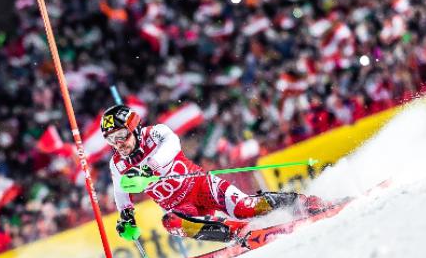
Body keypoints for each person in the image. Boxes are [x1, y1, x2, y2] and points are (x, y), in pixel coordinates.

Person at [102, 104, 330, 243]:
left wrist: (147, 168)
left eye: (121, 135)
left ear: (135, 128)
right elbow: (121, 192)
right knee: (171, 223)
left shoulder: (157, 133)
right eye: (111, 140)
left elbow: (172, 146)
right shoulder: (117, 163)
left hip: (202, 187)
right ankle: (237, 235)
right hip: (181, 208)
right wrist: (127, 218)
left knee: (246, 208)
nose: (118, 143)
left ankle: (302, 202)